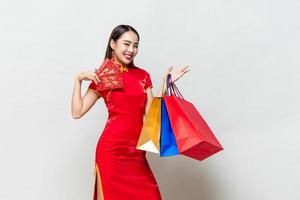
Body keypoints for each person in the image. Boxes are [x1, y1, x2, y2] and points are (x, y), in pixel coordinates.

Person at [71, 24, 189, 200]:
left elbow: (151, 116)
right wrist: (78, 80)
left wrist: (165, 84)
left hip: (136, 154)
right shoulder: (103, 77)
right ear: (113, 44)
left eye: (135, 45)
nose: (131, 50)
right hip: (110, 153)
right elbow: (77, 112)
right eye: (126, 44)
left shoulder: (143, 76)